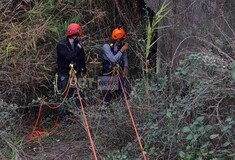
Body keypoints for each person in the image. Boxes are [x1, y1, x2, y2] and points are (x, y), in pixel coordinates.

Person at [56, 23, 86, 117]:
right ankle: (63, 115)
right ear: (75, 35)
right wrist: (77, 48)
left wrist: (83, 71)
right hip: (64, 73)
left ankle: (76, 115)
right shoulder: (61, 45)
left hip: (75, 73)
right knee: (64, 93)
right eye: (78, 35)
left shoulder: (78, 45)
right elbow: (67, 56)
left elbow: (82, 58)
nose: (80, 37)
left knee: (76, 93)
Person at [101, 27, 129, 109]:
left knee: (122, 85)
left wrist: (125, 66)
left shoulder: (121, 44)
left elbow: (124, 56)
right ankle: (105, 104)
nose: (120, 41)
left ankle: (124, 101)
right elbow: (112, 59)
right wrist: (122, 50)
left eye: (121, 39)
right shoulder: (106, 46)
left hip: (118, 68)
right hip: (107, 68)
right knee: (106, 87)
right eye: (119, 40)